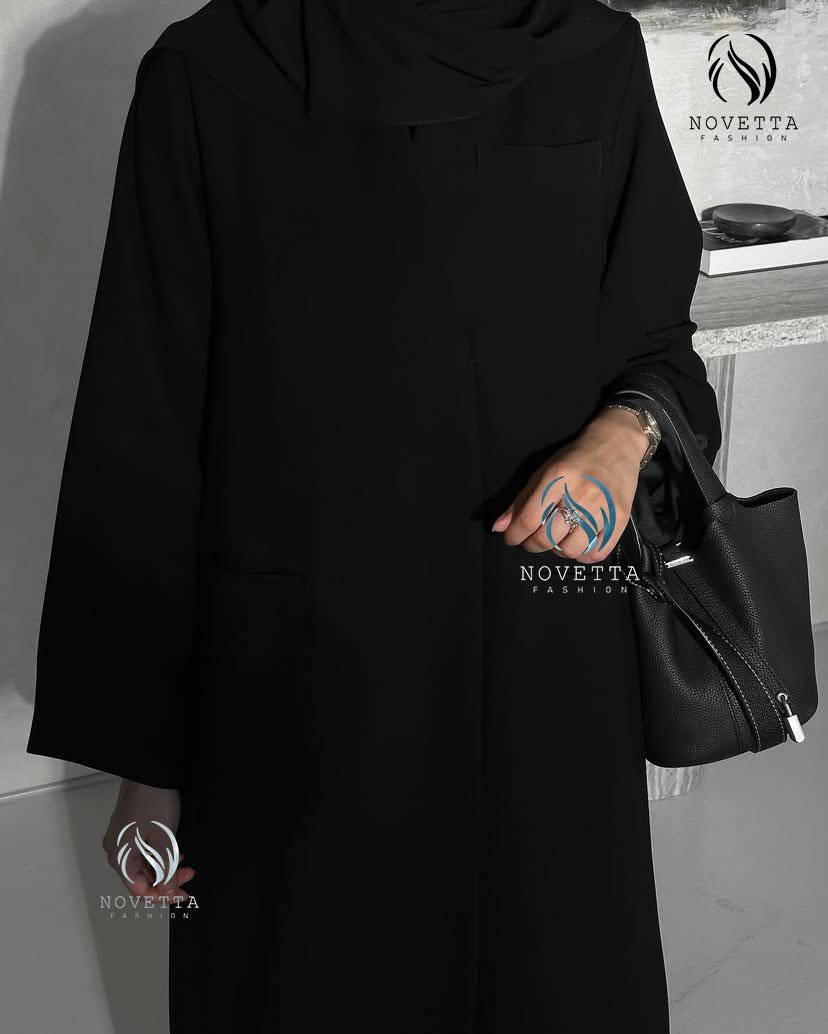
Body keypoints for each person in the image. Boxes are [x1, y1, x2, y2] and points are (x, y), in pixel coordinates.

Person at [27, 1, 722, 1031]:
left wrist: (622, 438)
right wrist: (151, 763)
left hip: (544, 649)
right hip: (305, 674)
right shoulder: (212, 73)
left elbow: (656, 338)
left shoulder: (588, 51)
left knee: (550, 967)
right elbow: (146, 416)